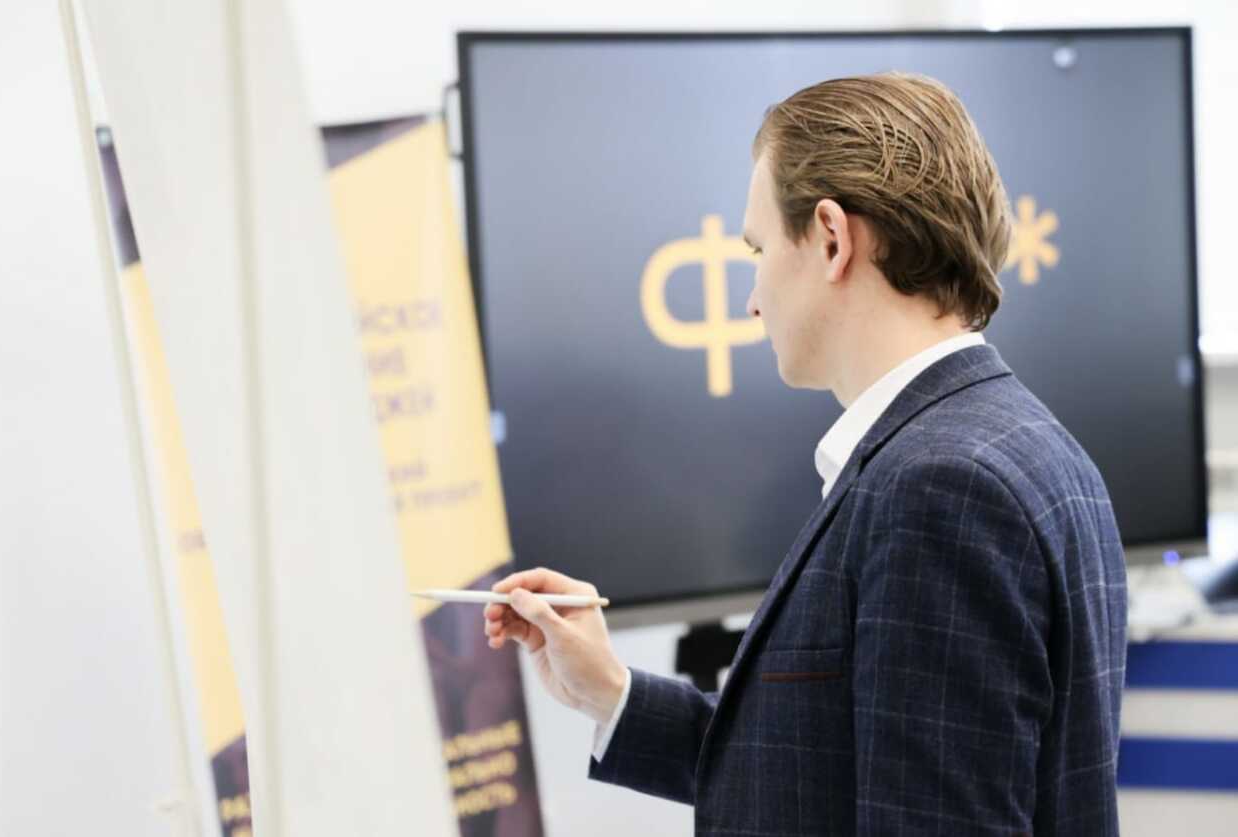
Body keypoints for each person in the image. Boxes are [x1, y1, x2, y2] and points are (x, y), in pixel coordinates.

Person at [483, 73, 1127, 836]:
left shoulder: (939, 488)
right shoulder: (1025, 446)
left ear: (830, 238)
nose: (752, 299)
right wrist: (612, 693)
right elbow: (816, 771)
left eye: (757, 249)